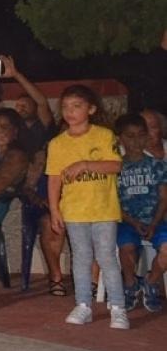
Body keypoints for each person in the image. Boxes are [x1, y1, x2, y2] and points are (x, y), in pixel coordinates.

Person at [45, 85, 125, 328]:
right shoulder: (57, 144)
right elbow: (54, 179)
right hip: (75, 210)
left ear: (90, 109)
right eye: (66, 107)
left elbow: (115, 166)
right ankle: (83, 304)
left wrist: (85, 164)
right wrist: (54, 210)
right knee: (80, 257)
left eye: (77, 106)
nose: (70, 111)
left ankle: (119, 307)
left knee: (106, 256)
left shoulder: (103, 135)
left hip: (103, 208)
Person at [114, 113, 166, 312]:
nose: (136, 141)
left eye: (140, 135)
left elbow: (164, 198)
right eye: (130, 136)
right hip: (127, 221)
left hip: (155, 220)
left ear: (147, 137)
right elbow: (114, 201)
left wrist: (154, 223)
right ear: (120, 138)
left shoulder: (157, 165)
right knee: (126, 248)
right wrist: (133, 222)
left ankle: (151, 281)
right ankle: (130, 284)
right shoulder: (116, 167)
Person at [0, 107, 31, 288]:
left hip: (0, 204)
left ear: (15, 131)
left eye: (5, 126)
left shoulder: (17, 155)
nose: (0, 131)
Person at [0, 55, 55, 156]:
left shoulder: (43, 124)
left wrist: (16, 74)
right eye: (18, 106)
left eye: (25, 105)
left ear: (35, 107)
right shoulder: (15, 127)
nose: (21, 108)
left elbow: (42, 102)